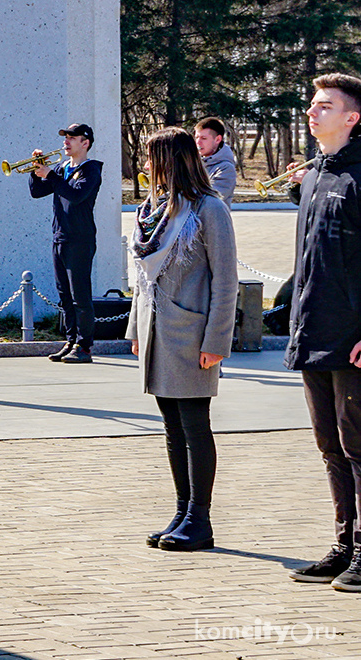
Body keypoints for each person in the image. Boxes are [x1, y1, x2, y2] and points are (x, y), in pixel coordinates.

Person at [128, 126, 237, 553]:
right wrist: (136, 330)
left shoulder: (208, 209)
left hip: (192, 335)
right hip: (157, 334)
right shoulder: (152, 210)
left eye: (152, 158)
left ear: (172, 160)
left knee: (195, 426)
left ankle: (200, 518)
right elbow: (140, 281)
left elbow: (225, 281)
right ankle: (182, 510)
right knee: (172, 429)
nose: (146, 167)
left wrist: (217, 341)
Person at [283, 73, 361, 590]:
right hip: (314, 333)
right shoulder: (313, 176)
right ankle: (344, 545)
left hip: (354, 340)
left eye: (325, 105)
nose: (312, 112)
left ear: (352, 118)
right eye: (312, 104)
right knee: (330, 446)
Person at [29, 124, 103, 364]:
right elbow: (37, 192)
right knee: (64, 295)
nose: (66, 142)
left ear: (86, 143)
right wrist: (35, 170)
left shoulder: (91, 170)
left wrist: (51, 175)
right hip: (59, 236)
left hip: (80, 239)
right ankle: (71, 340)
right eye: (66, 137)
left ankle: (84, 345)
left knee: (80, 295)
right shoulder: (62, 167)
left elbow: (76, 195)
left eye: (72, 138)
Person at [195, 117, 237, 202]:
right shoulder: (194, 162)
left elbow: (211, 198)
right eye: (196, 137)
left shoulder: (225, 168)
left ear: (217, 139)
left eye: (204, 138)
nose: (198, 142)